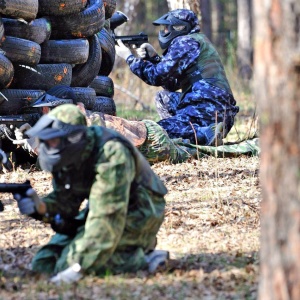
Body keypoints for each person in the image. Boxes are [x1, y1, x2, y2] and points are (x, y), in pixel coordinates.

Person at [13, 104, 169, 284]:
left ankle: (144, 257)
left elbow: (108, 215)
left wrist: (79, 268)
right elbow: (66, 201)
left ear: (73, 137)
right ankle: (125, 250)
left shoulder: (112, 152)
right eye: (46, 142)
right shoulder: (68, 155)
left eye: (53, 141)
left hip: (140, 210)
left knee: (71, 262)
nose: (48, 147)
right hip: (99, 206)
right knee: (44, 262)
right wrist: (39, 207)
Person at [115, 9, 239, 146]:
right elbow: (171, 83)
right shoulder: (196, 40)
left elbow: (156, 76)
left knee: (155, 131)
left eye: (167, 28)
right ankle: (185, 133)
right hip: (215, 109)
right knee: (163, 98)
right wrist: (154, 58)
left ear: (179, 27)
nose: (163, 32)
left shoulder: (185, 42)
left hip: (207, 111)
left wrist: (129, 57)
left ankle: (201, 133)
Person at [14, 85, 194, 164]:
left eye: (46, 110)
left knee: (193, 152)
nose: (44, 114)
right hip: (144, 138)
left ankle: (216, 144)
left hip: (152, 142)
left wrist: (35, 147)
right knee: (186, 145)